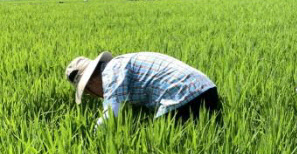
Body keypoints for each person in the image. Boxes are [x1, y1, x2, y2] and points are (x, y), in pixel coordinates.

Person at [65, 51, 221, 127]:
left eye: (88, 93)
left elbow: (111, 116)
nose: (96, 96)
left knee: (162, 144)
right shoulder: (121, 64)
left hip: (181, 97)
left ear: (91, 83)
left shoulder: (110, 73)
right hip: (208, 90)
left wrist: (91, 139)